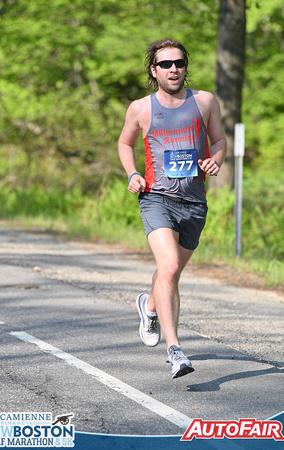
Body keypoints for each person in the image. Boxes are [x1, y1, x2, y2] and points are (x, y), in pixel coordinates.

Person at [118, 38, 227, 379]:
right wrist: (133, 174)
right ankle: (175, 350)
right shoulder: (141, 108)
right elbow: (124, 143)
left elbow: (220, 140)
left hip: (194, 201)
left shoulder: (205, 101)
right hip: (156, 198)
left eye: (178, 62)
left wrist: (215, 160)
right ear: (154, 70)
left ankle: (149, 306)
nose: (174, 69)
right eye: (165, 64)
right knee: (166, 269)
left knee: (172, 274)